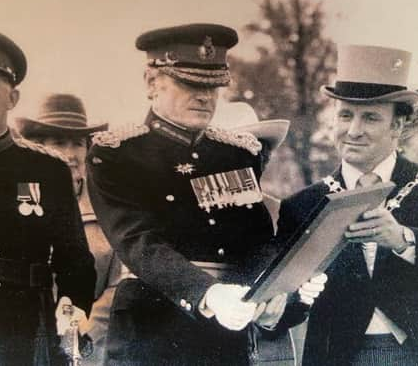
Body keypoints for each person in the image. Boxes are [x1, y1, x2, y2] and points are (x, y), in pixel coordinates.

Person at [86, 23, 325, 366]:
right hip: (151, 333)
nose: (204, 96)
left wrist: (272, 292)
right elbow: (138, 242)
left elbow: (256, 241)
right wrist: (207, 293)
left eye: (213, 86)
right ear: (152, 83)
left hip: (225, 336)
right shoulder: (117, 154)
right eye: (190, 84)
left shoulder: (236, 154)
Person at [276, 44, 418, 365]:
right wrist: (294, 298)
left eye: (371, 118)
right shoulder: (303, 205)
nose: (354, 131)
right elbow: (283, 311)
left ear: (397, 127)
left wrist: (406, 240)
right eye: (346, 115)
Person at [0, 26, 95, 365]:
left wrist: (72, 307)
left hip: (27, 321)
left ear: (12, 98)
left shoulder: (48, 170)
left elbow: (75, 261)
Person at [17, 93, 119, 365]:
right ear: (37, 147)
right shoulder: (21, 199)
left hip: (87, 345)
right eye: (59, 142)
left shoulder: (107, 207)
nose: (71, 154)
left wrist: (79, 335)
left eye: (78, 143)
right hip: (22, 338)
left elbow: (118, 285)